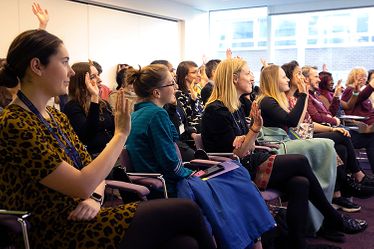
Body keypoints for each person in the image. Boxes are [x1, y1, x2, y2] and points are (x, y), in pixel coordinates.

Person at [0, 29, 216, 249]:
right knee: (187, 211)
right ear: (36, 66)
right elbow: (82, 183)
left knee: (184, 243)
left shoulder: (56, 117)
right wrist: (120, 134)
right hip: (54, 229)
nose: (71, 72)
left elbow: (93, 171)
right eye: (64, 62)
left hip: (85, 214)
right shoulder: (14, 123)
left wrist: (94, 197)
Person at [201, 58, 365, 249]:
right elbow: (238, 154)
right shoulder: (216, 110)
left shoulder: (235, 106)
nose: (253, 76)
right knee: (301, 162)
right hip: (233, 171)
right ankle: (333, 216)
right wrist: (253, 131)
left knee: (300, 183)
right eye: (248, 73)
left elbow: (246, 146)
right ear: (235, 78)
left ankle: (300, 243)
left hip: (248, 160)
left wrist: (249, 137)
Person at [124, 63, 276, 249]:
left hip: (161, 180)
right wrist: (193, 173)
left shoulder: (138, 113)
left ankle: (250, 239)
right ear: (156, 93)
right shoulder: (156, 115)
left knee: (234, 174)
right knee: (236, 175)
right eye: (171, 83)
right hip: (171, 185)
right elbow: (172, 166)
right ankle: (252, 238)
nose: (176, 87)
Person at [281, 60, 374, 212]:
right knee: (344, 137)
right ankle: (357, 177)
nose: (317, 79)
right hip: (300, 139)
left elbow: (321, 116)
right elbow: (312, 120)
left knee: (341, 147)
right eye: (316, 76)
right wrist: (333, 122)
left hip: (312, 132)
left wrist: (336, 98)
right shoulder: (304, 97)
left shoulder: (311, 96)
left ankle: (338, 194)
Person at [63, 61, 115, 158]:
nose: (99, 80)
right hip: (91, 159)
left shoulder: (103, 104)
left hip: (111, 155)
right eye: (93, 77)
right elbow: (87, 136)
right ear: (81, 81)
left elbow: (114, 130)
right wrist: (94, 97)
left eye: (98, 75)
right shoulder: (72, 107)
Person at [151, 60, 196, 161]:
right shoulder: (157, 113)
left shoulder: (171, 100)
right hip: (178, 149)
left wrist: (191, 132)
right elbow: (173, 137)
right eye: (171, 83)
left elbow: (183, 123)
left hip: (183, 143)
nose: (175, 86)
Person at [175, 61, 204, 135]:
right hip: (191, 136)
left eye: (199, 72)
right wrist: (193, 101)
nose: (199, 75)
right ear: (185, 75)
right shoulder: (179, 95)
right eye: (194, 72)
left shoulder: (195, 92)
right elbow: (187, 119)